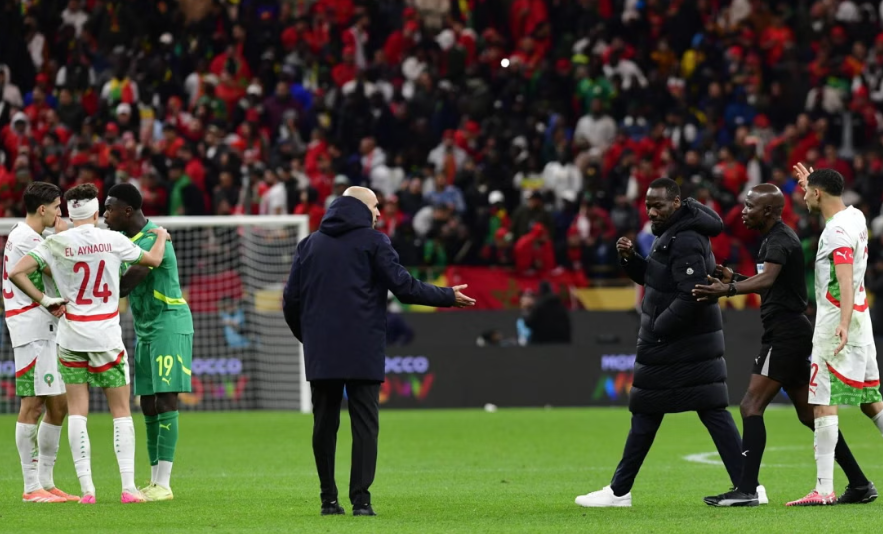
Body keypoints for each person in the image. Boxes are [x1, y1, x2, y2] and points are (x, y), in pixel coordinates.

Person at [282, 186, 475, 517]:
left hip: (322, 349)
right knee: (365, 425)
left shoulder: (309, 244)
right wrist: (446, 296)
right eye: (375, 206)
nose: (379, 212)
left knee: (324, 424)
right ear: (359, 208)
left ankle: (328, 500)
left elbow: (291, 301)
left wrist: (310, 338)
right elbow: (404, 287)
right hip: (363, 347)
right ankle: (362, 501)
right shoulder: (374, 242)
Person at [693, 184, 875, 507]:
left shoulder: (778, 239)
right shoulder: (774, 239)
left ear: (767, 211)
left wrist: (727, 288)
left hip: (785, 333)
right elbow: (769, 282)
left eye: (750, 206)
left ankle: (746, 489)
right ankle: (859, 483)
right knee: (811, 415)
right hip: (790, 331)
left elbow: (765, 282)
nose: (744, 211)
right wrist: (736, 276)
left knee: (751, 405)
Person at [575, 178, 749, 507]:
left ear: (677, 205)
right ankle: (748, 485)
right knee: (682, 412)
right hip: (687, 343)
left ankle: (618, 492)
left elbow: (693, 292)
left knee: (660, 413)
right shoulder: (674, 233)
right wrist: (630, 259)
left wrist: (658, 327)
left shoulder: (684, 238)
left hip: (678, 343)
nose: (652, 212)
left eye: (659, 206)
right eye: (649, 206)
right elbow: (660, 279)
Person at [8, 183, 169, 505]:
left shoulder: (55, 242)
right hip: (106, 336)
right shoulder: (112, 239)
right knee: (120, 411)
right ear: (97, 212)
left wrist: (46, 299)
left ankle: (87, 491)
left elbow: (16, 272)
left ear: (67, 211)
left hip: (69, 335)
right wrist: (162, 235)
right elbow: (152, 260)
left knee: (76, 411)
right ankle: (127, 488)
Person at [785, 165, 883, 506]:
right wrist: (812, 182)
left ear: (818, 194)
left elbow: (843, 278)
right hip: (861, 321)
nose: (802, 195)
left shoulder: (836, 233)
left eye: (806, 191)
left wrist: (840, 323)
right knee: (871, 401)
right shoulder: (855, 217)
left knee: (822, 402)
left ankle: (823, 488)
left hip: (836, 323)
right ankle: (825, 486)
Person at [105, 182, 194, 502]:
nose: (104, 215)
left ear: (127, 211)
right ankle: (154, 479)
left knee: (166, 399)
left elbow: (126, 285)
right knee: (147, 403)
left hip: (169, 323)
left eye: (109, 208)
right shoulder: (129, 240)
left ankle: (164, 482)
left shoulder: (155, 239)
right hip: (145, 329)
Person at [3, 182, 78, 503]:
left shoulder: (31, 237)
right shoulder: (26, 240)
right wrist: (66, 236)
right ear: (43, 209)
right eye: (58, 207)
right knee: (32, 405)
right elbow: (60, 269)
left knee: (58, 405)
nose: (60, 212)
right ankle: (31, 486)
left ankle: (46, 482)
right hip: (31, 329)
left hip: (46, 329)